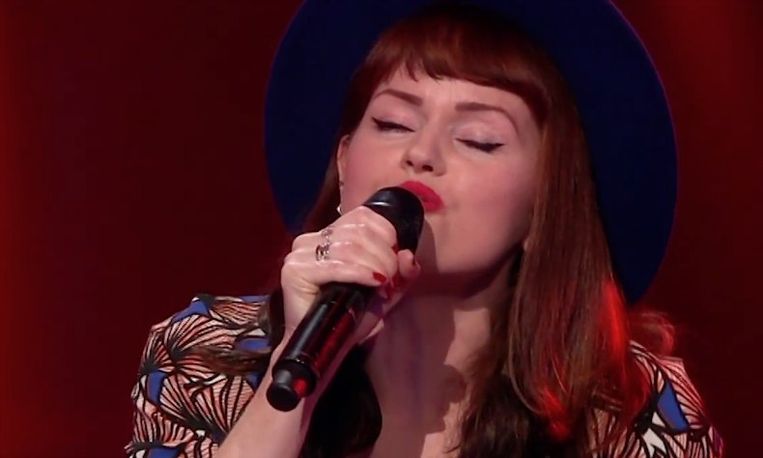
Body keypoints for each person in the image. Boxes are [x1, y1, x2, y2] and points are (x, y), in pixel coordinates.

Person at [126, 1, 723, 457]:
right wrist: (294, 371)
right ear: (343, 163)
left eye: (479, 139)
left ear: (544, 206)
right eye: (392, 123)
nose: (421, 153)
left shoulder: (630, 408)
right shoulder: (207, 355)